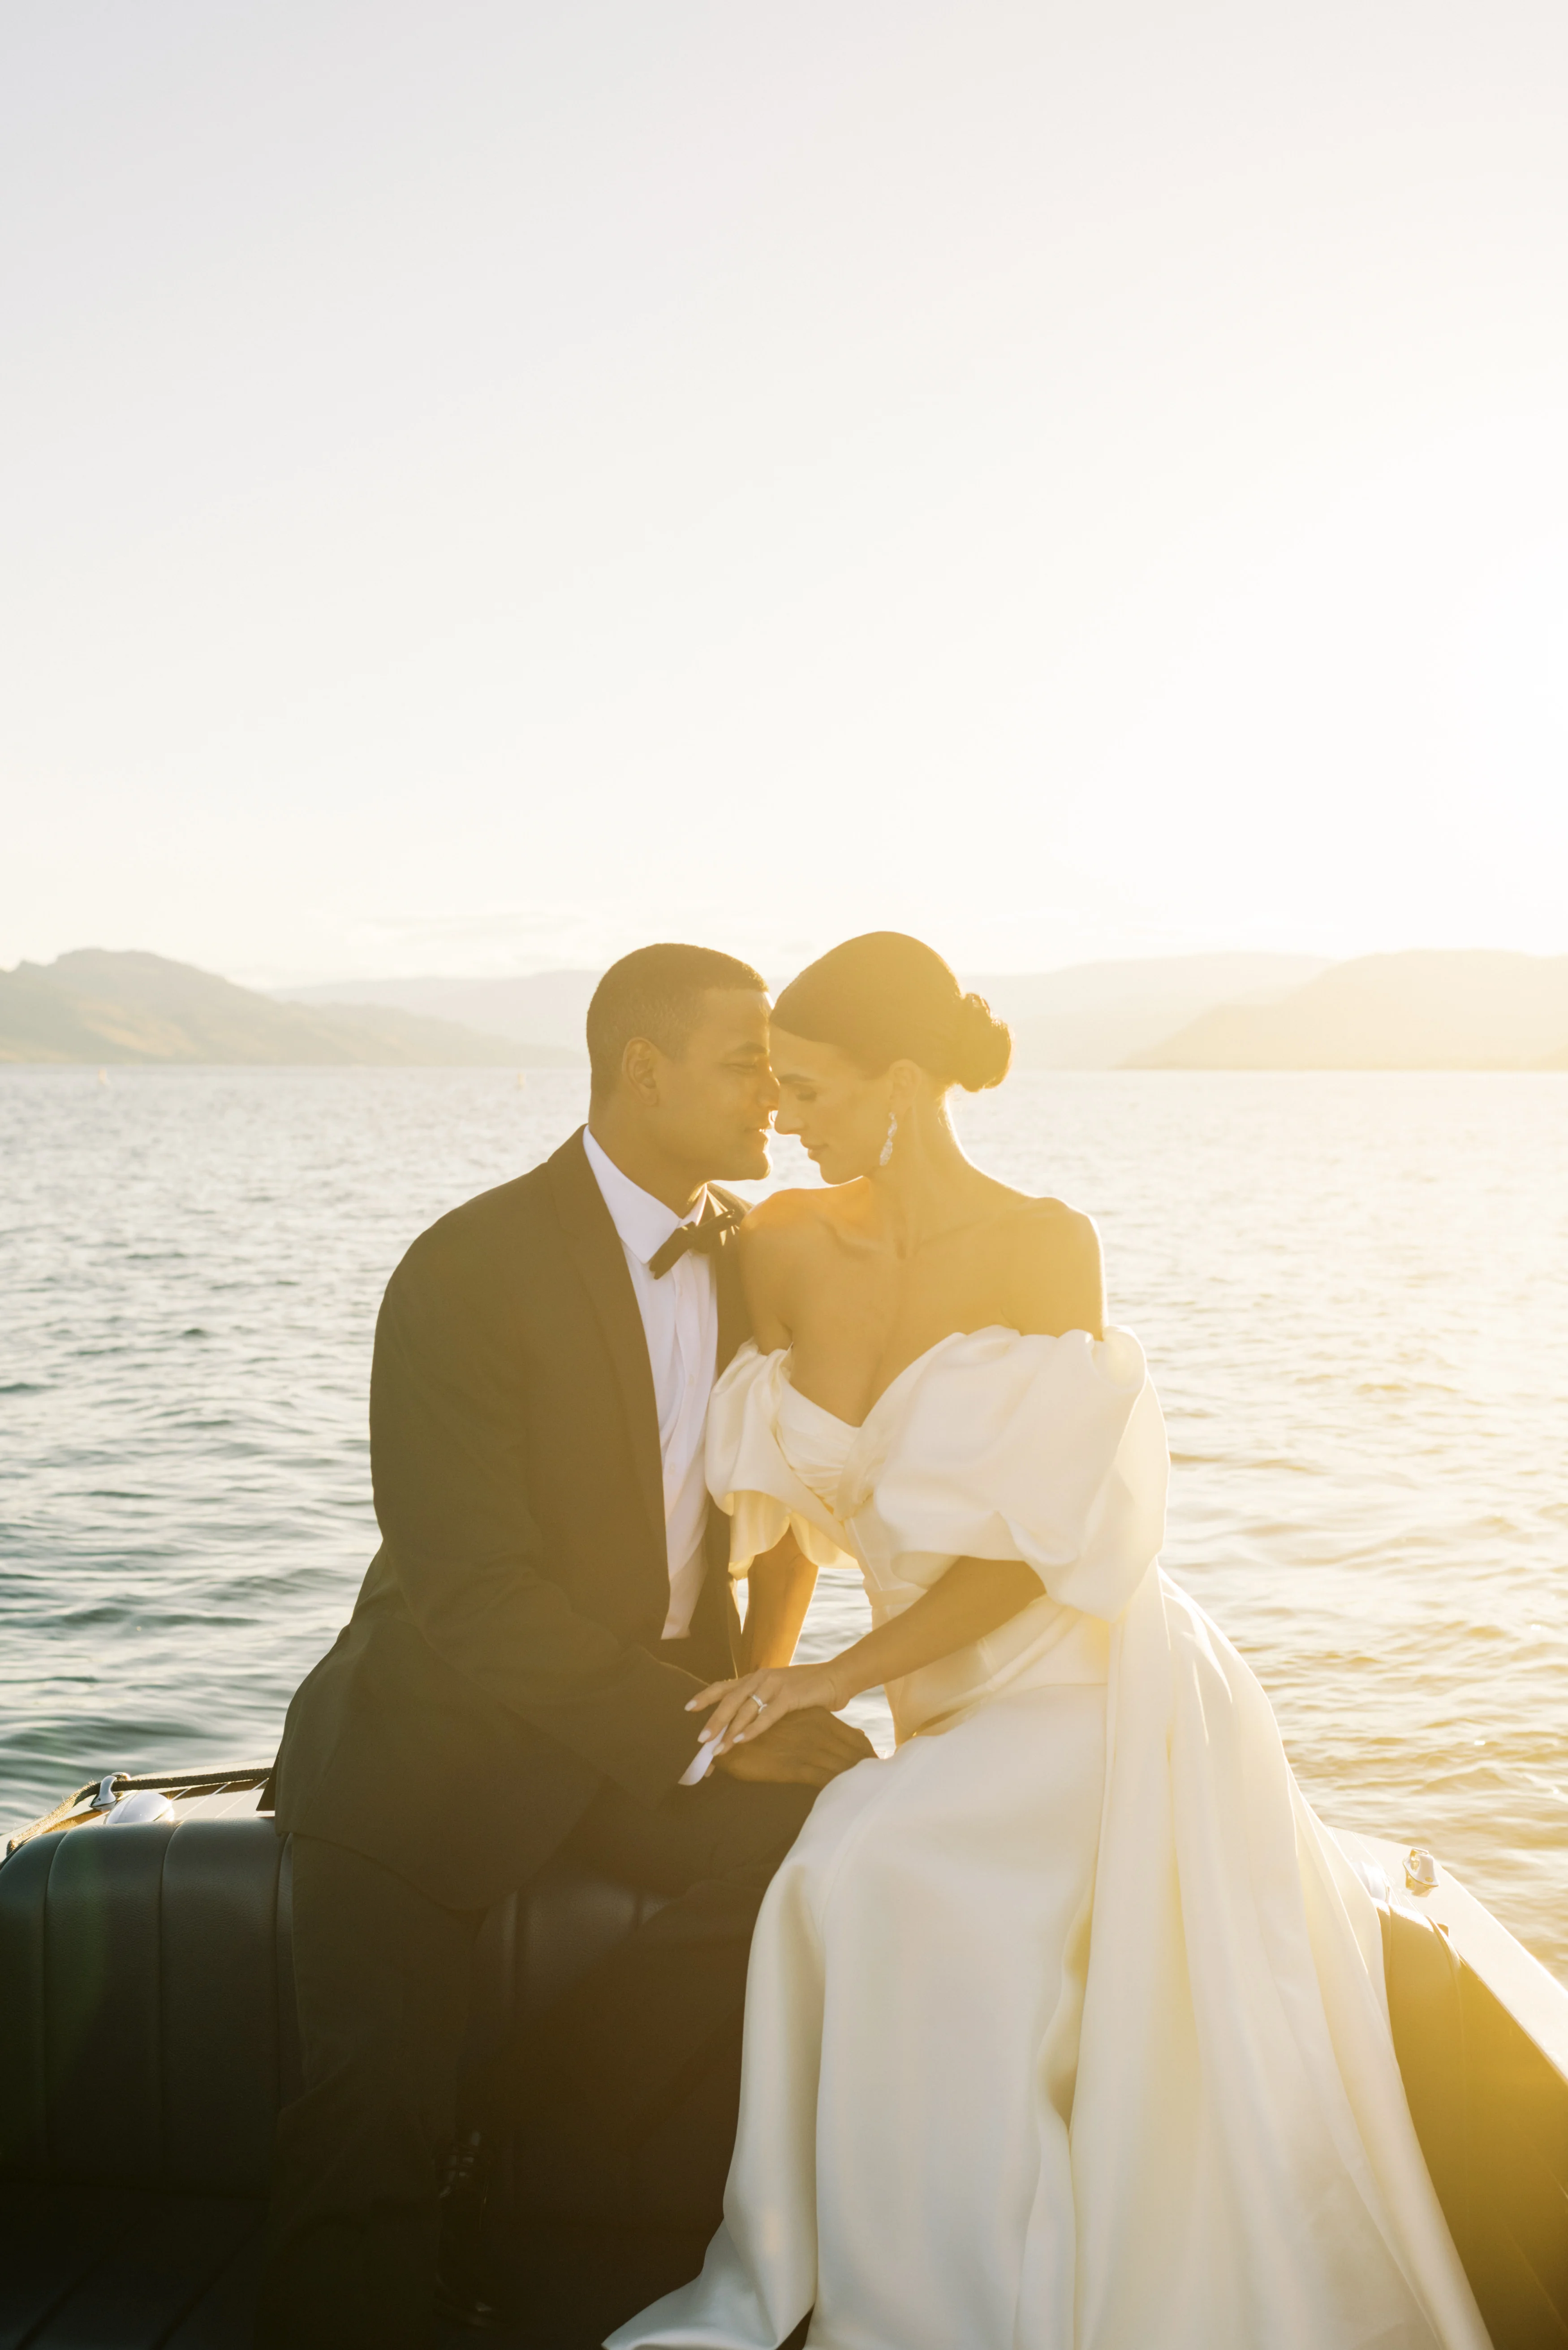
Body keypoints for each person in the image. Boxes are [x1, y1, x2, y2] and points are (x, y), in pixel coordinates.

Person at [609, 932, 1490, 2350]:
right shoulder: (777, 1246)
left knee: (866, 1859)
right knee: (877, 1854)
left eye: (814, 1088)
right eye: (774, 1084)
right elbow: (782, 1509)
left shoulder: (1043, 1245)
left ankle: (930, 2310)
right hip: (931, 1701)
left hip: (1091, 1678)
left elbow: (1038, 1552)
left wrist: (829, 1677)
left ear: (901, 1083)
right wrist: (764, 1694)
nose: (787, 1119)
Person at [255, 942, 874, 2350]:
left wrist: (760, 1693)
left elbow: (786, 1502)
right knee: (367, 2134)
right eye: (745, 1062)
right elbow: (472, 1597)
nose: (773, 1091)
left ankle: (520, 2130)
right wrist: (707, 1732)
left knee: (856, 1839)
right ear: (640, 1072)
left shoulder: (755, 1256)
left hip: (637, 1732)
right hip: (430, 1746)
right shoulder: (465, 1267)